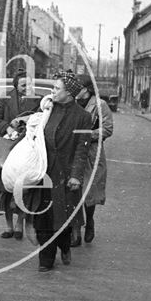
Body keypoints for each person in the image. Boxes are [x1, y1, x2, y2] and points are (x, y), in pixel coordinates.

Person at [32, 73, 91, 271]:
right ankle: (46, 259)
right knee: (42, 218)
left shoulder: (83, 117)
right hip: (43, 171)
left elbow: (82, 149)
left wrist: (76, 175)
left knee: (63, 219)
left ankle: (64, 246)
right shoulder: (48, 108)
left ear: (69, 93)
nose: (53, 92)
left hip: (64, 174)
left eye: (57, 89)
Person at [0, 70, 41, 240]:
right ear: (16, 86)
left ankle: (19, 225)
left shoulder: (37, 100)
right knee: (6, 188)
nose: (27, 88)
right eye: (23, 85)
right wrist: (8, 128)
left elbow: (41, 119)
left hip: (26, 148)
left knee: (23, 188)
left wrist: (27, 126)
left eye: (29, 84)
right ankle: (8, 226)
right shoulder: (5, 99)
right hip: (7, 147)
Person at [71, 75, 114, 247]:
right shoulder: (71, 103)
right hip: (72, 152)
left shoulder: (100, 105)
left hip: (91, 153)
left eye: (78, 88)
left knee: (88, 193)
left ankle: (89, 222)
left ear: (87, 90)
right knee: (73, 192)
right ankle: (75, 232)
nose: (75, 91)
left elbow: (108, 129)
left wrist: (89, 134)